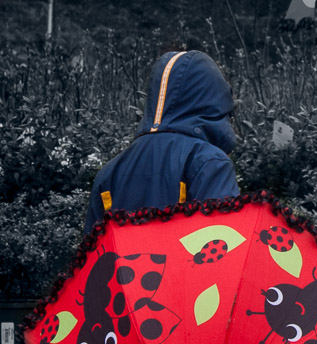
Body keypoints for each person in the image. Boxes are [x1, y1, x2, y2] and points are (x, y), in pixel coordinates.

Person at [84, 50, 239, 234]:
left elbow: (92, 257)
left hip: (126, 263)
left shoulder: (109, 174)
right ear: (215, 102)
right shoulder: (209, 163)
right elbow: (223, 244)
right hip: (187, 262)